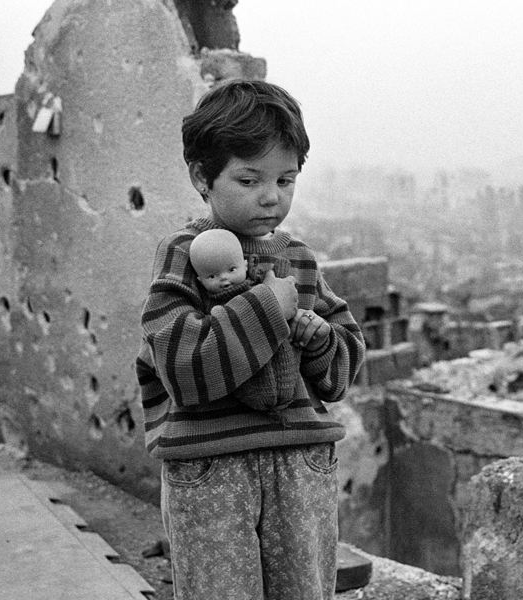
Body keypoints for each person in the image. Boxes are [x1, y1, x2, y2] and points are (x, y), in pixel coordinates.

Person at [135, 79, 366, 600]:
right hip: (213, 469)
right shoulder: (184, 255)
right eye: (249, 179)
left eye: (286, 180)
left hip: (300, 465)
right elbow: (184, 370)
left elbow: (342, 373)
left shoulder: (299, 257)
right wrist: (269, 308)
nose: (271, 196)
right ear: (202, 177)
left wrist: (319, 338)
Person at [188, 228, 300, 420]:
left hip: (284, 369)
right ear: (200, 280)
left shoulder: (258, 285)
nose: (224, 279)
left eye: (232, 270)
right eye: (212, 276)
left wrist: (278, 277)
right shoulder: (210, 306)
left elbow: (278, 286)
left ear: (246, 265)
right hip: (247, 385)